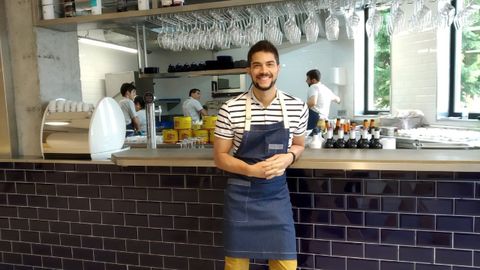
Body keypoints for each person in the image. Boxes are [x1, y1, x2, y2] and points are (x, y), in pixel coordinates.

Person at [214, 40, 308, 270]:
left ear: (278, 67)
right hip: (241, 197)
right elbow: (220, 157)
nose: (263, 71)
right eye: (257, 65)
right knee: (235, 266)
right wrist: (250, 170)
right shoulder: (230, 108)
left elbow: (299, 145)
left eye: (269, 64)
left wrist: (288, 158)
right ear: (249, 70)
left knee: (286, 265)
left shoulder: (297, 107)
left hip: (276, 196)